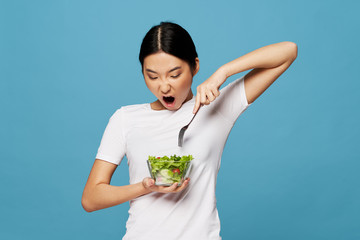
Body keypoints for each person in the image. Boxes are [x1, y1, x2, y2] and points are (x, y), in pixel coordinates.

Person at [81, 22, 297, 240]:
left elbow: (288, 51)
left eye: (174, 75)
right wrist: (146, 187)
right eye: (153, 76)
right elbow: (91, 198)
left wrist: (223, 72)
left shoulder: (216, 108)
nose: (164, 87)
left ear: (195, 66)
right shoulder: (125, 119)